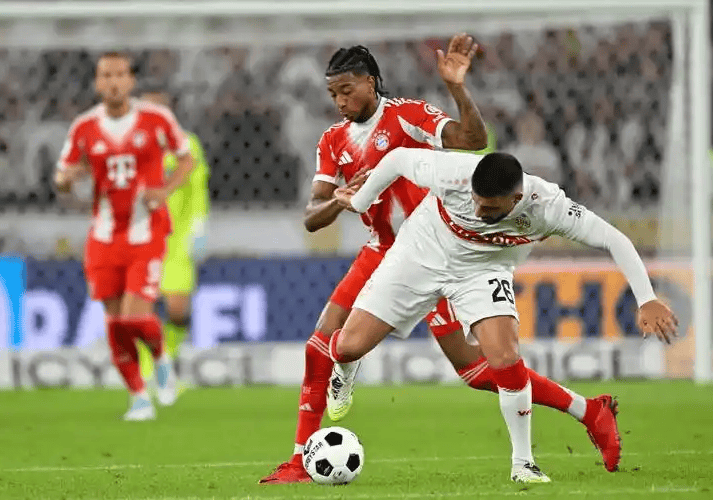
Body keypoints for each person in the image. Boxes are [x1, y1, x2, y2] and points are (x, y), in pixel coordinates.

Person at [260, 36, 615, 484]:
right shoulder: (332, 141)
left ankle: (589, 410)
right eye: (333, 94)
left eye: (347, 90)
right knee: (321, 344)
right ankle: (299, 461)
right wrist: (339, 200)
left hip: (434, 250)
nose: (340, 101)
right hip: (380, 251)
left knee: (477, 371)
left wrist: (458, 89)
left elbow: (474, 141)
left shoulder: (408, 116)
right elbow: (313, 217)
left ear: (371, 83)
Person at [329, 148, 678, 483]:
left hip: (483, 269)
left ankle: (523, 463)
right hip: (421, 251)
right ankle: (343, 371)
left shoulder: (548, 207)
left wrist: (646, 298)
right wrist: (360, 202)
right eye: (476, 201)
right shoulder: (453, 173)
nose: (478, 211)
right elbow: (397, 159)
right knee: (348, 347)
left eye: (490, 207)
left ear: (516, 199)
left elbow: (613, 239)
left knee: (504, 357)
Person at [54, 52, 194, 421]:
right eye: (106, 75)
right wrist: (66, 181)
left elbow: (186, 158)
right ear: (97, 83)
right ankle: (139, 398)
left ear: (131, 81)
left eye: (119, 75)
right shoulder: (84, 127)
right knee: (115, 324)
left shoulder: (156, 119)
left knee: (134, 318)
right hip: (103, 237)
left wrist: (164, 190)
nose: (113, 82)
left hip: (145, 233)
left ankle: (161, 359)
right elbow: (62, 175)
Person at [137, 89, 210, 379]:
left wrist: (199, 226)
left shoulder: (187, 144)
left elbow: (198, 189)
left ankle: (167, 361)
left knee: (178, 310)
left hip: (177, 239)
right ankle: (147, 373)